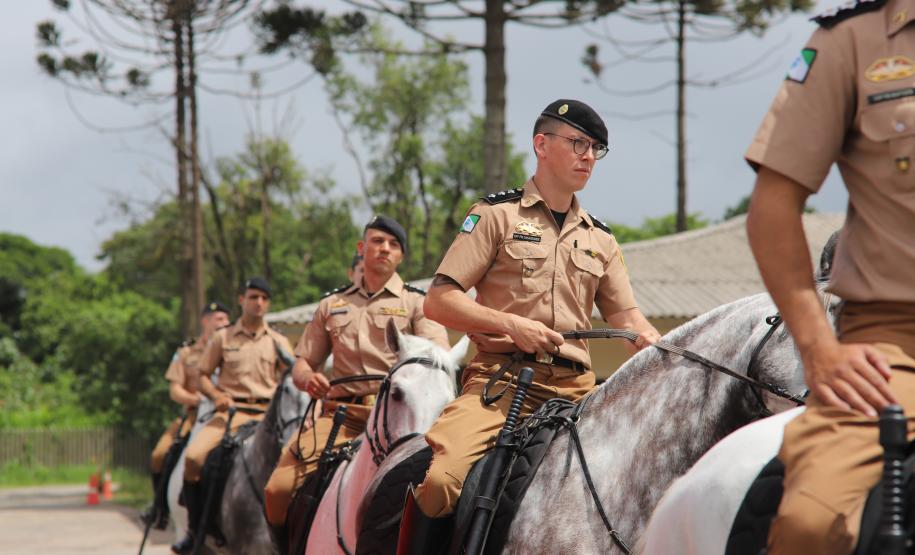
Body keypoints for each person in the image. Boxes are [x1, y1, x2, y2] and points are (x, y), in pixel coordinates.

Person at [396, 99, 661, 552]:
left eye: (596, 149)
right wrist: (511, 325)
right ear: (541, 144)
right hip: (500, 386)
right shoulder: (495, 215)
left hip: (579, 392)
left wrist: (653, 340)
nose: (588, 157)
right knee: (441, 482)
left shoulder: (601, 238)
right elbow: (439, 301)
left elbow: (626, 318)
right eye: (578, 143)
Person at [745, 1, 915, 553]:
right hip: (896, 347)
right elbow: (772, 207)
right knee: (810, 524)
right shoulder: (852, 42)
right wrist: (818, 348)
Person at [263, 216, 450, 542]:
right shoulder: (331, 305)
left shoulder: (418, 304)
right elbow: (303, 363)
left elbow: (440, 358)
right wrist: (309, 379)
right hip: (342, 419)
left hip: (401, 422)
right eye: (377, 241)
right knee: (277, 490)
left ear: (401, 256)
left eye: (393, 244)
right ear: (362, 248)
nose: (385, 248)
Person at [171, 278, 294, 554]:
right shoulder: (222, 337)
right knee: (194, 459)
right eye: (253, 297)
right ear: (241, 300)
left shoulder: (279, 342)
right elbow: (202, 375)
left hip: (269, 417)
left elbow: (292, 379)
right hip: (231, 413)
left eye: (263, 298)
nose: (258, 302)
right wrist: (217, 396)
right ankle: (195, 530)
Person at [144, 301, 230, 525]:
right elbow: (175, 389)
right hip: (194, 414)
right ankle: (160, 508)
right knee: (160, 453)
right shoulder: (187, 352)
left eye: (226, 319)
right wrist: (195, 399)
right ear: (205, 321)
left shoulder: (231, 348)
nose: (224, 323)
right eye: (219, 319)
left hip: (227, 414)